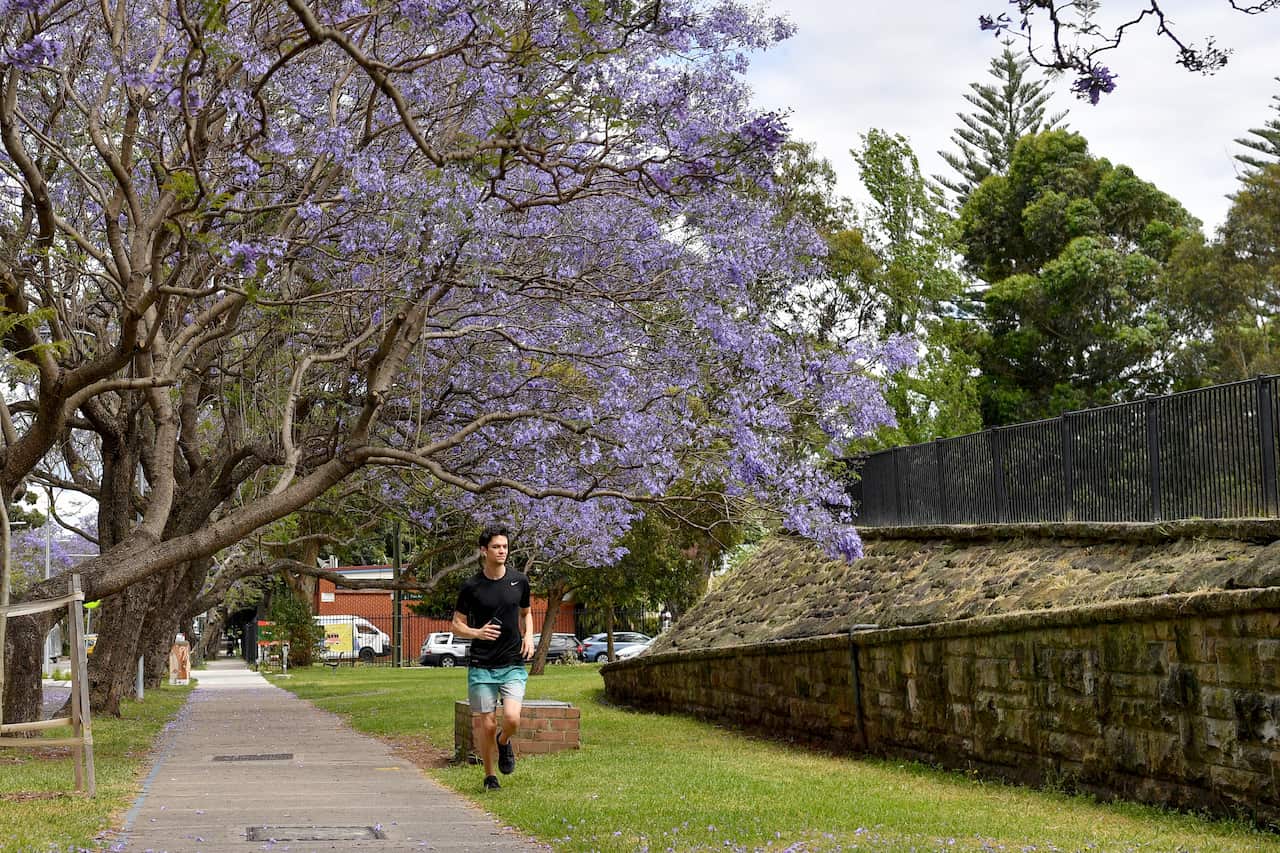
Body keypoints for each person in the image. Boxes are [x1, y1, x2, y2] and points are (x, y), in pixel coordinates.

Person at [451, 524, 534, 791]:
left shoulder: (519, 581)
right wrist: (477, 632)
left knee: (511, 719)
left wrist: (529, 636)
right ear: (483, 551)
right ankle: (490, 776)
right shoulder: (471, 586)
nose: (502, 551)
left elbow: (526, 613)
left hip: (512, 663)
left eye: (505, 547)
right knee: (486, 725)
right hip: (482, 665)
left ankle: (504, 741)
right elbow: (456, 625)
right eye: (496, 547)